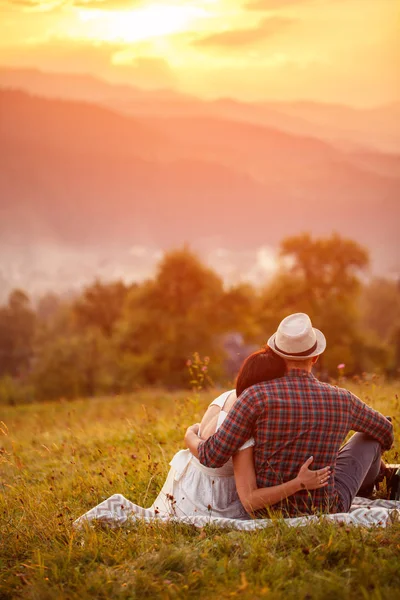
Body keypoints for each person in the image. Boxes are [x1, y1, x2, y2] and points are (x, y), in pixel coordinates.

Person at [185, 313, 394, 517]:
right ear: (315, 356)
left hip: (267, 509)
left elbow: (211, 456)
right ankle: (375, 483)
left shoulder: (254, 397)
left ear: (275, 353)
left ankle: (378, 476)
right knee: (371, 434)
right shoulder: (343, 399)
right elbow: (385, 431)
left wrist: (190, 434)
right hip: (325, 507)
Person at [150, 347, 331, 519]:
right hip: (211, 499)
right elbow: (250, 499)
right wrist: (298, 483)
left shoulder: (226, 397)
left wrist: (189, 434)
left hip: (186, 484)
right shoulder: (244, 423)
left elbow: (199, 436)